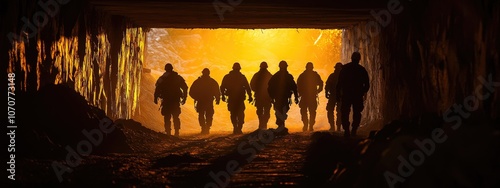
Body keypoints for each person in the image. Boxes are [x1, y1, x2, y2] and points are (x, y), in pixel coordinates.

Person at [336, 52, 370, 137]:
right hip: (357, 95)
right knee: (357, 112)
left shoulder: (345, 69)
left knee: (345, 112)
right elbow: (367, 84)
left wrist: (338, 94)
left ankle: (347, 129)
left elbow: (339, 83)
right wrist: (363, 92)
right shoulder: (361, 70)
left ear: (351, 58)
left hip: (347, 94)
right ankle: (353, 129)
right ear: (359, 59)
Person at [154, 63, 188, 137]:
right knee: (176, 116)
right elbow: (185, 87)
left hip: (166, 100)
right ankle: (176, 132)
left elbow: (157, 88)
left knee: (167, 116)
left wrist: (155, 97)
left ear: (165, 69)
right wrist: (185, 97)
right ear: (172, 69)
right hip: (175, 100)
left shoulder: (162, 78)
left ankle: (168, 132)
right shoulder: (178, 78)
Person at [220, 63, 253, 134]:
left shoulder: (228, 77)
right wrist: (250, 96)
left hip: (233, 99)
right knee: (239, 113)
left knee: (234, 114)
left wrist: (222, 96)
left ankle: (236, 127)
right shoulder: (242, 77)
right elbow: (247, 88)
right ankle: (238, 127)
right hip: (239, 99)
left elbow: (222, 87)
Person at [268, 60, 299, 129]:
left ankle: (281, 123)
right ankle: (280, 124)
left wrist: (296, 96)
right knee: (280, 110)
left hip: (283, 97)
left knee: (282, 110)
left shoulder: (284, 76)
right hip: (279, 97)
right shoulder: (278, 76)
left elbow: (294, 87)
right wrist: (271, 97)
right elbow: (270, 87)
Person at [189, 68, 221, 135]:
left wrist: (196, 98)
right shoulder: (212, 81)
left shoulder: (198, 81)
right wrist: (217, 99)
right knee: (208, 115)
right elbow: (217, 91)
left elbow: (191, 92)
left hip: (202, 101)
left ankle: (204, 128)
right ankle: (206, 128)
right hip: (207, 101)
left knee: (203, 115)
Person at [297, 62, 324, 132]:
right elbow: (321, 83)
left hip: (307, 96)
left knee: (307, 111)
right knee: (310, 111)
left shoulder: (303, 75)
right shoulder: (314, 75)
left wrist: (299, 93)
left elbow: (298, 85)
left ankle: (308, 125)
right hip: (310, 96)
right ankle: (308, 125)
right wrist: (318, 91)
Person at [250, 62, 273, 130]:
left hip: (260, 96)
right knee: (266, 111)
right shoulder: (269, 75)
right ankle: (263, 123)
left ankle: (262, 123)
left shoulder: (257, 75)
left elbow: (252, 85)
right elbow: (274, 86)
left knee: (261, 111)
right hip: (266, 97)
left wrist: (256, 91)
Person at [325, 63, 343, 132]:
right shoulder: (342, 76)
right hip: (336, 96)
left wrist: (326, 93)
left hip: (336, 96)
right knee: (338, 111)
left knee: (336, 111)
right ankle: (335, 127)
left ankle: (335, 127)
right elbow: (327, 85)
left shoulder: (333, 76)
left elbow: (327, 86)